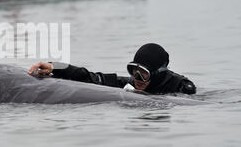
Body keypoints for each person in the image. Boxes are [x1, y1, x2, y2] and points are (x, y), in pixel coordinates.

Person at [28, 43, 197, 95]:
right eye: (133, 70)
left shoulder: (182, 88)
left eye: (143, 73)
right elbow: (91, 78)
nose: (136, 78)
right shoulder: (132, 85)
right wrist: (55, 67)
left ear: (157, 74)